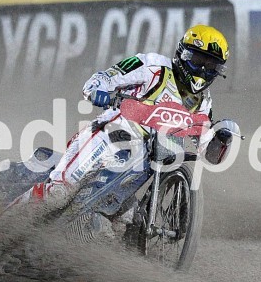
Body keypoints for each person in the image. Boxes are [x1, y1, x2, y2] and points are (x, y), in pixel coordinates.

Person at [16, 25, 235, 211]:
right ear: (182, 54)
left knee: (118, 222)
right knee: (58, 193)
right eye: (198, 61)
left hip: (144, 162)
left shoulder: (203, 102)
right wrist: (97, 91)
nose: (202, 70)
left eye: (211, 67)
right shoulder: (152, 66)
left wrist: (220, 139)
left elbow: (205, 148)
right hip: (109, 136)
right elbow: (104, 77)